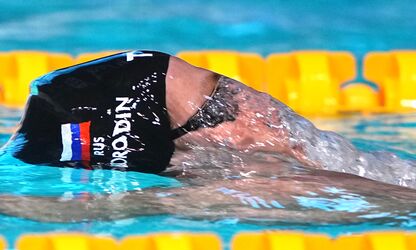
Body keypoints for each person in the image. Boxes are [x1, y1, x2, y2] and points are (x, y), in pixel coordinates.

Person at [5, 50, 351, 174]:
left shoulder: (26, 161)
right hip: (140, 80)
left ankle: (406, 207)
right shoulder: (29, 149)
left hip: (107, 103)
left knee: (308, 183)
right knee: (329, 165)